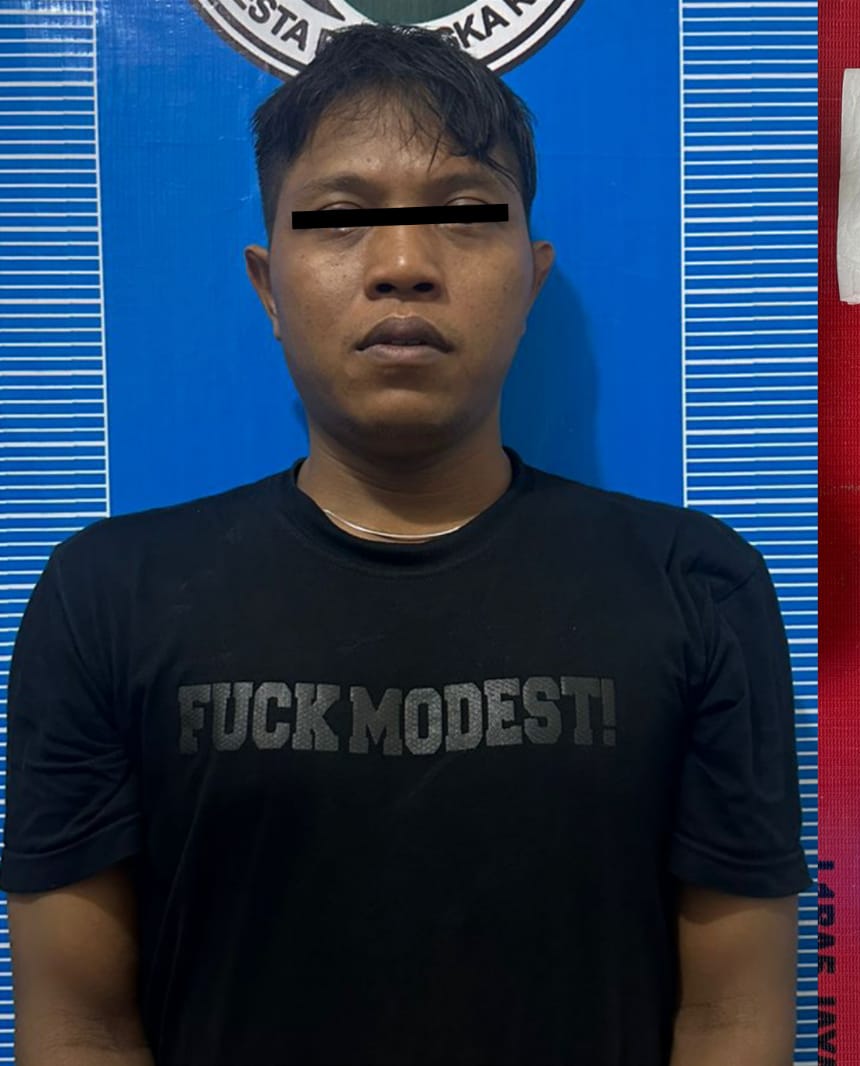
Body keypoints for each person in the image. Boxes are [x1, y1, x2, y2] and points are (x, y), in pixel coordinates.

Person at [0, 23, 809, 1066]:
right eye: (341, 219)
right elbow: (80, 1026)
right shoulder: (107, 597)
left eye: (464, 214)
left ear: (531, 278)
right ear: (268, 286)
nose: (402, 264)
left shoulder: (696, 587)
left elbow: (733, 1018)